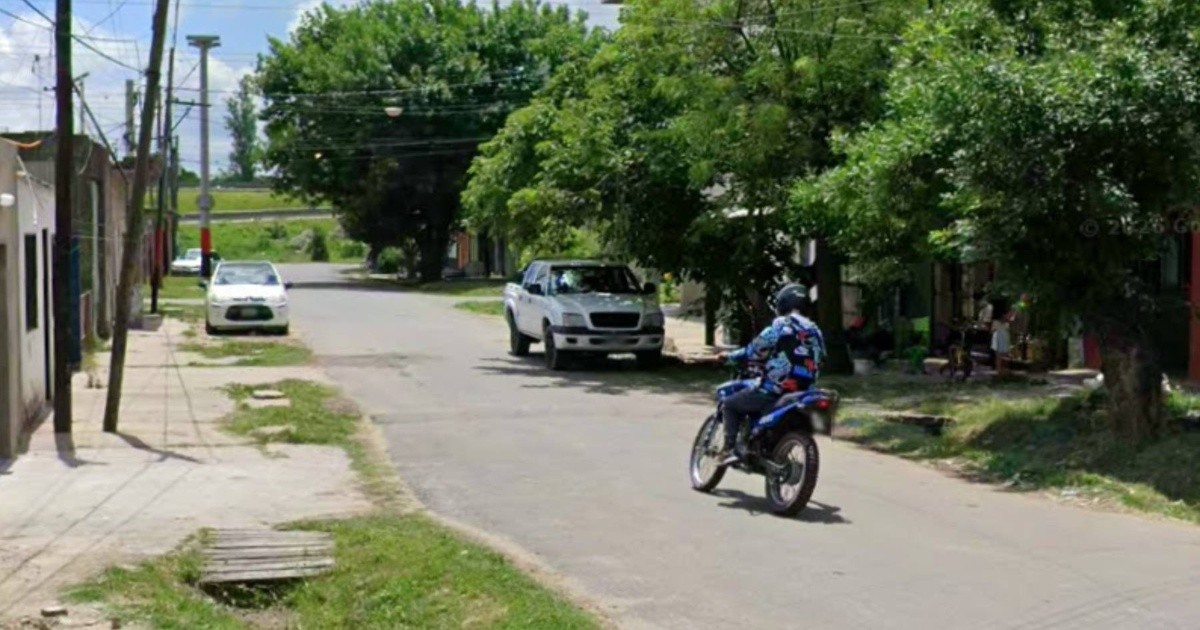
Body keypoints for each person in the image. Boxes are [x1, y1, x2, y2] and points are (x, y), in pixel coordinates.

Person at [716, 284, 826, 465]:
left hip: (774, 390)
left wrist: (730, 357)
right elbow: (820, 359)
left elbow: (755, 350)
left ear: (782, 303)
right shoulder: (816, 331)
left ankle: (728, 449)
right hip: (803, 392)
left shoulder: (781, 324)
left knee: (730, 404)